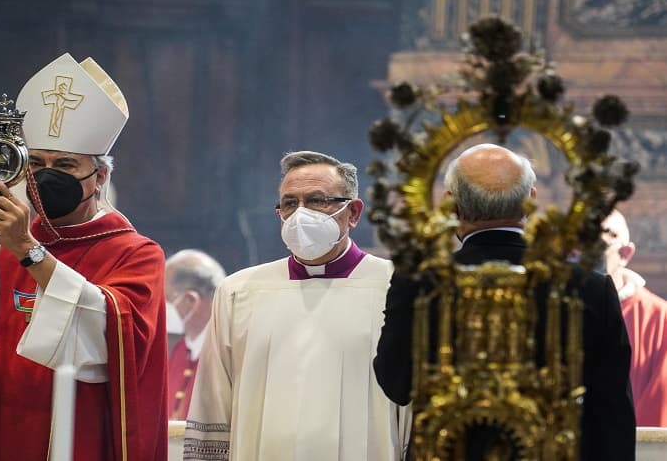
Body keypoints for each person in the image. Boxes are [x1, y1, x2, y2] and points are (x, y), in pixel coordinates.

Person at [0, 53, 168, 460]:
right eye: (36, 163)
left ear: (101, 176)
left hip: (79, 435)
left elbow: (115, 337)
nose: (46, 175)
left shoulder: (136, 253)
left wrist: (27, 250)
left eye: (66, 164)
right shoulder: (5, 246)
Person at [373, 143, 635, 460]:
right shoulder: (591, 289)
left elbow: (396, 384)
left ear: (450, 204)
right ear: (531, 200)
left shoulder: (418, 283)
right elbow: (612, 417)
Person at [184, 151, 411, 461]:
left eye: (317, 200)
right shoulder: (238, 292)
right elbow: (214, 401)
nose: (301, 214)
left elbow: (412, 407)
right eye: (290, 203)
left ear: (353, 212)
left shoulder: (396, 288)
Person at [602, 209, 667, 427]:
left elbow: (659, 403)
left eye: (599, 246)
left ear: (625, 254)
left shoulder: (660, 319)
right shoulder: (556, 308)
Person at [164, 249, 226, 420]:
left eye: (164, 300)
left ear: (190, 301)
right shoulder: (180, 350)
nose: (159, 311)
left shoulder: (228, 352)